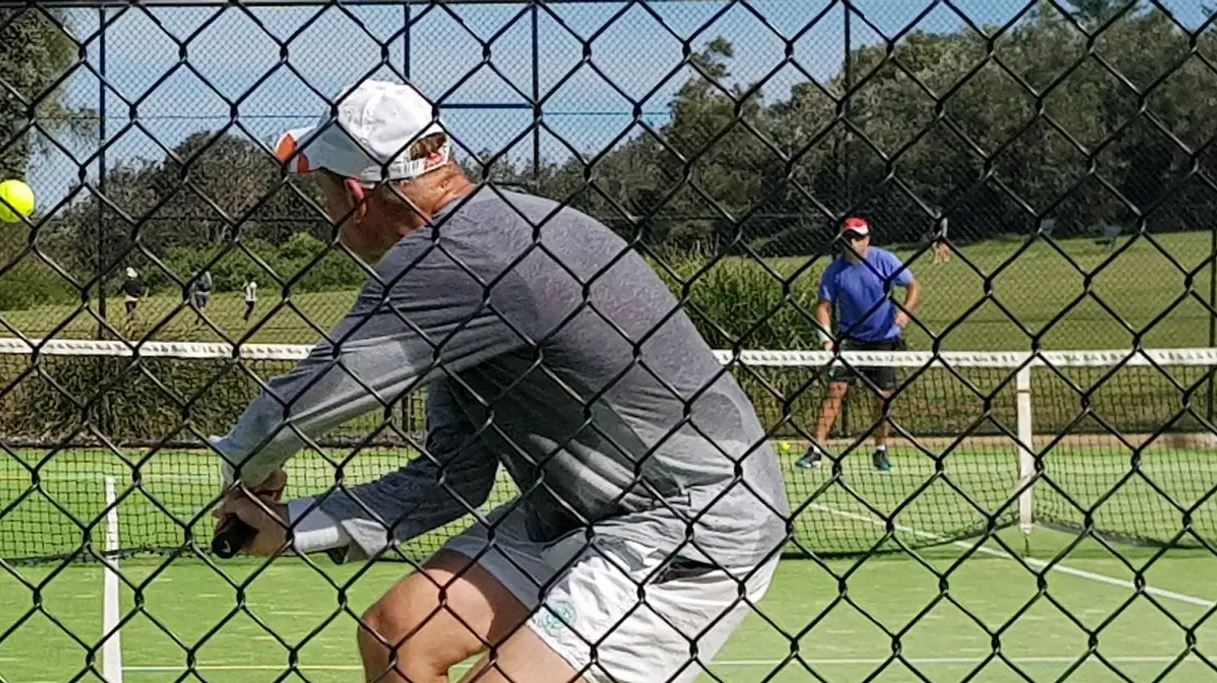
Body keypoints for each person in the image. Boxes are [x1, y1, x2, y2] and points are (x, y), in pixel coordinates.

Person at [206, 80, 786, 683]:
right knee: (395, 637)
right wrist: (293, 525)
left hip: (690, 520)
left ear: (357, 196)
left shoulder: (455, 257)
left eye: (324, 195)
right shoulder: (483, 252)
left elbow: (299, 404)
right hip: (571, 512)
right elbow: (450, 479)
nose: (328, 215)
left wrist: (247, 468)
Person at [795, 216, 924, 473]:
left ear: (867, 239)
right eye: (848, 237)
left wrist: (906, 312)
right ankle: (816, 450)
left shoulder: (885, 260)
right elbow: (823, 306)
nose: (852, 242)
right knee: (836, 391)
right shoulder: (834, 271)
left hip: (885, 340)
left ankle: (880, 450)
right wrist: (826, 338)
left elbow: (914, 286)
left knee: (883, 398)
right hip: (850, 341)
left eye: (857, 237)